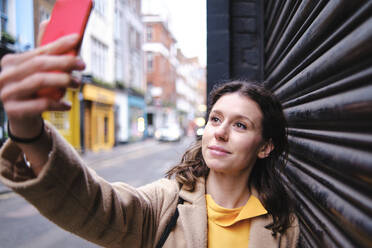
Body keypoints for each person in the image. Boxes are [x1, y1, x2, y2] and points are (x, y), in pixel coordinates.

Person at [0, 24, 299, 248]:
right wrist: (29, 132)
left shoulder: (282, 224)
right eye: (216, 119)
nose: (220, 132)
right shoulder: (164, 203)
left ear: (265, 147)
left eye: (240, 125)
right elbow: (89, 203)